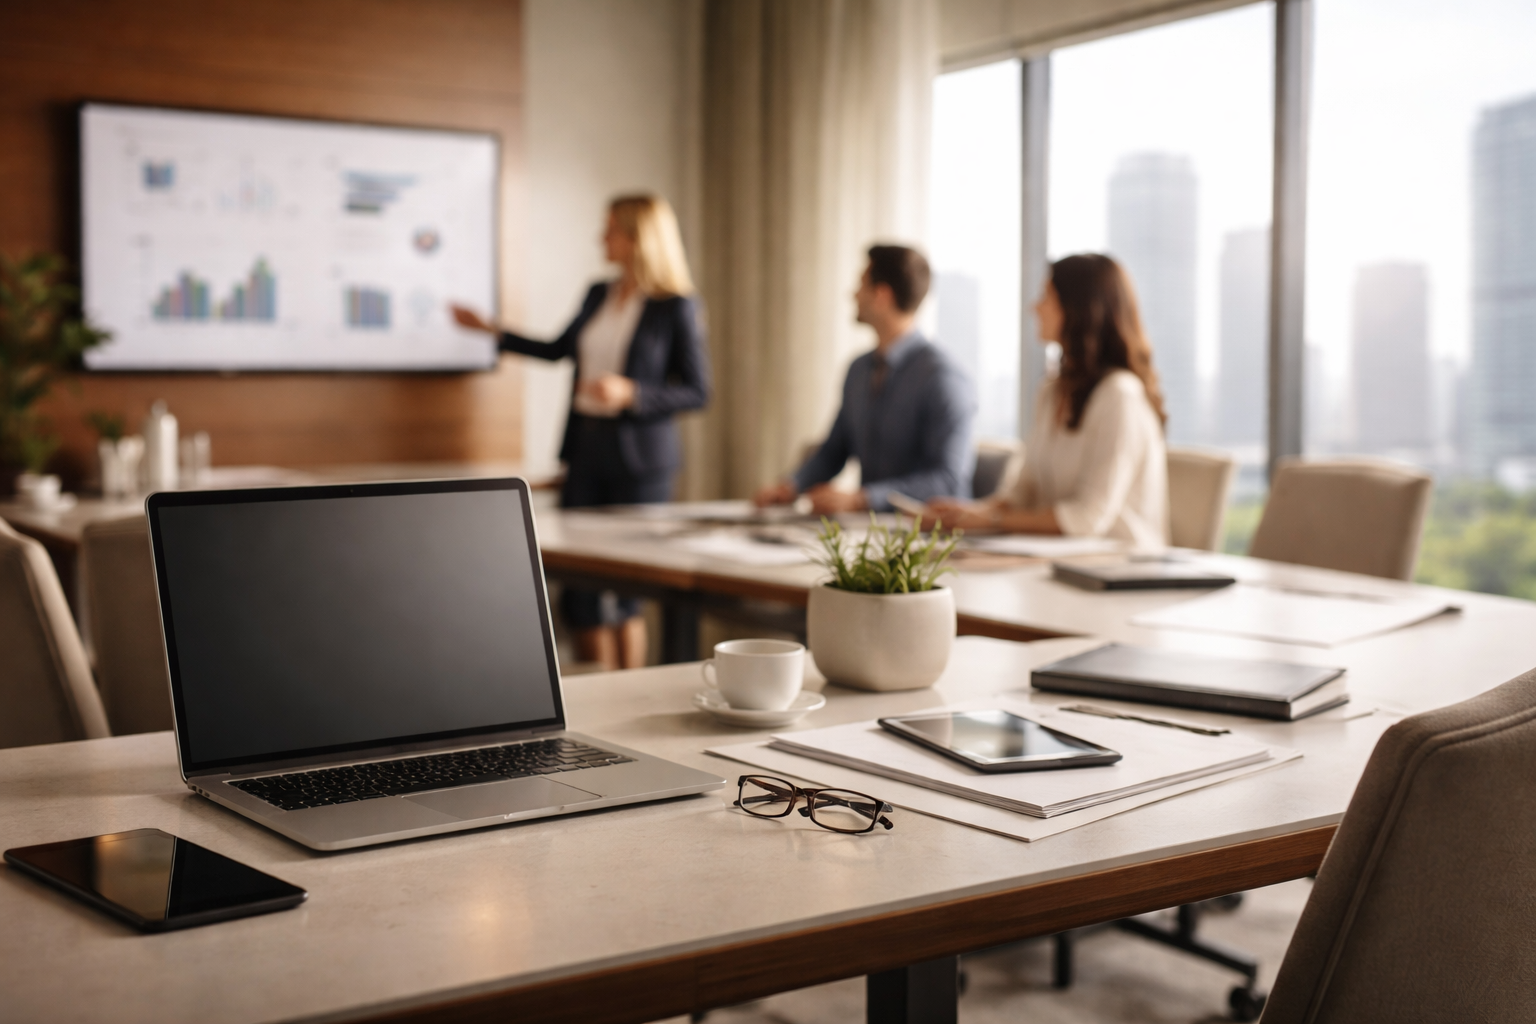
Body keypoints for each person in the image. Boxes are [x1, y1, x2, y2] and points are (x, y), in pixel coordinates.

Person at [451, 194, 709, 670]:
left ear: (637, 238)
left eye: (609, 229)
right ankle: (598, 696)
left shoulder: (675, 306)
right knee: (581, 592)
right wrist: (492, 331)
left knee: (630, 590)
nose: (600, 239)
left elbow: (698, 391)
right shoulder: (598, 294)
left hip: (641, 462)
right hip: (589, 450)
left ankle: (629, 691)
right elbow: (556, 349)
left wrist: (632, 393)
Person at [923, 253, 1167, 550]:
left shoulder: (1120, 395)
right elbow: (1023, 491)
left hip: (1122, 568)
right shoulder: (1051, 392)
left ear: (1079, 309)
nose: (1034, 307)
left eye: (1046, 296)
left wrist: (991, 522)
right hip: (1060, 560)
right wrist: (969, 513)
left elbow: (1087, 519)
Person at [753, 244, 974, 514]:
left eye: (861, 285)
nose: (853, 294)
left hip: (925, 538)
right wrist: (791, 486)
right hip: (867, 531)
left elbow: (947, 481)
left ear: (882, 295)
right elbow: (834, 450)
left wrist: (863, 499)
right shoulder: (859, 370)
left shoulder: (943, 378)